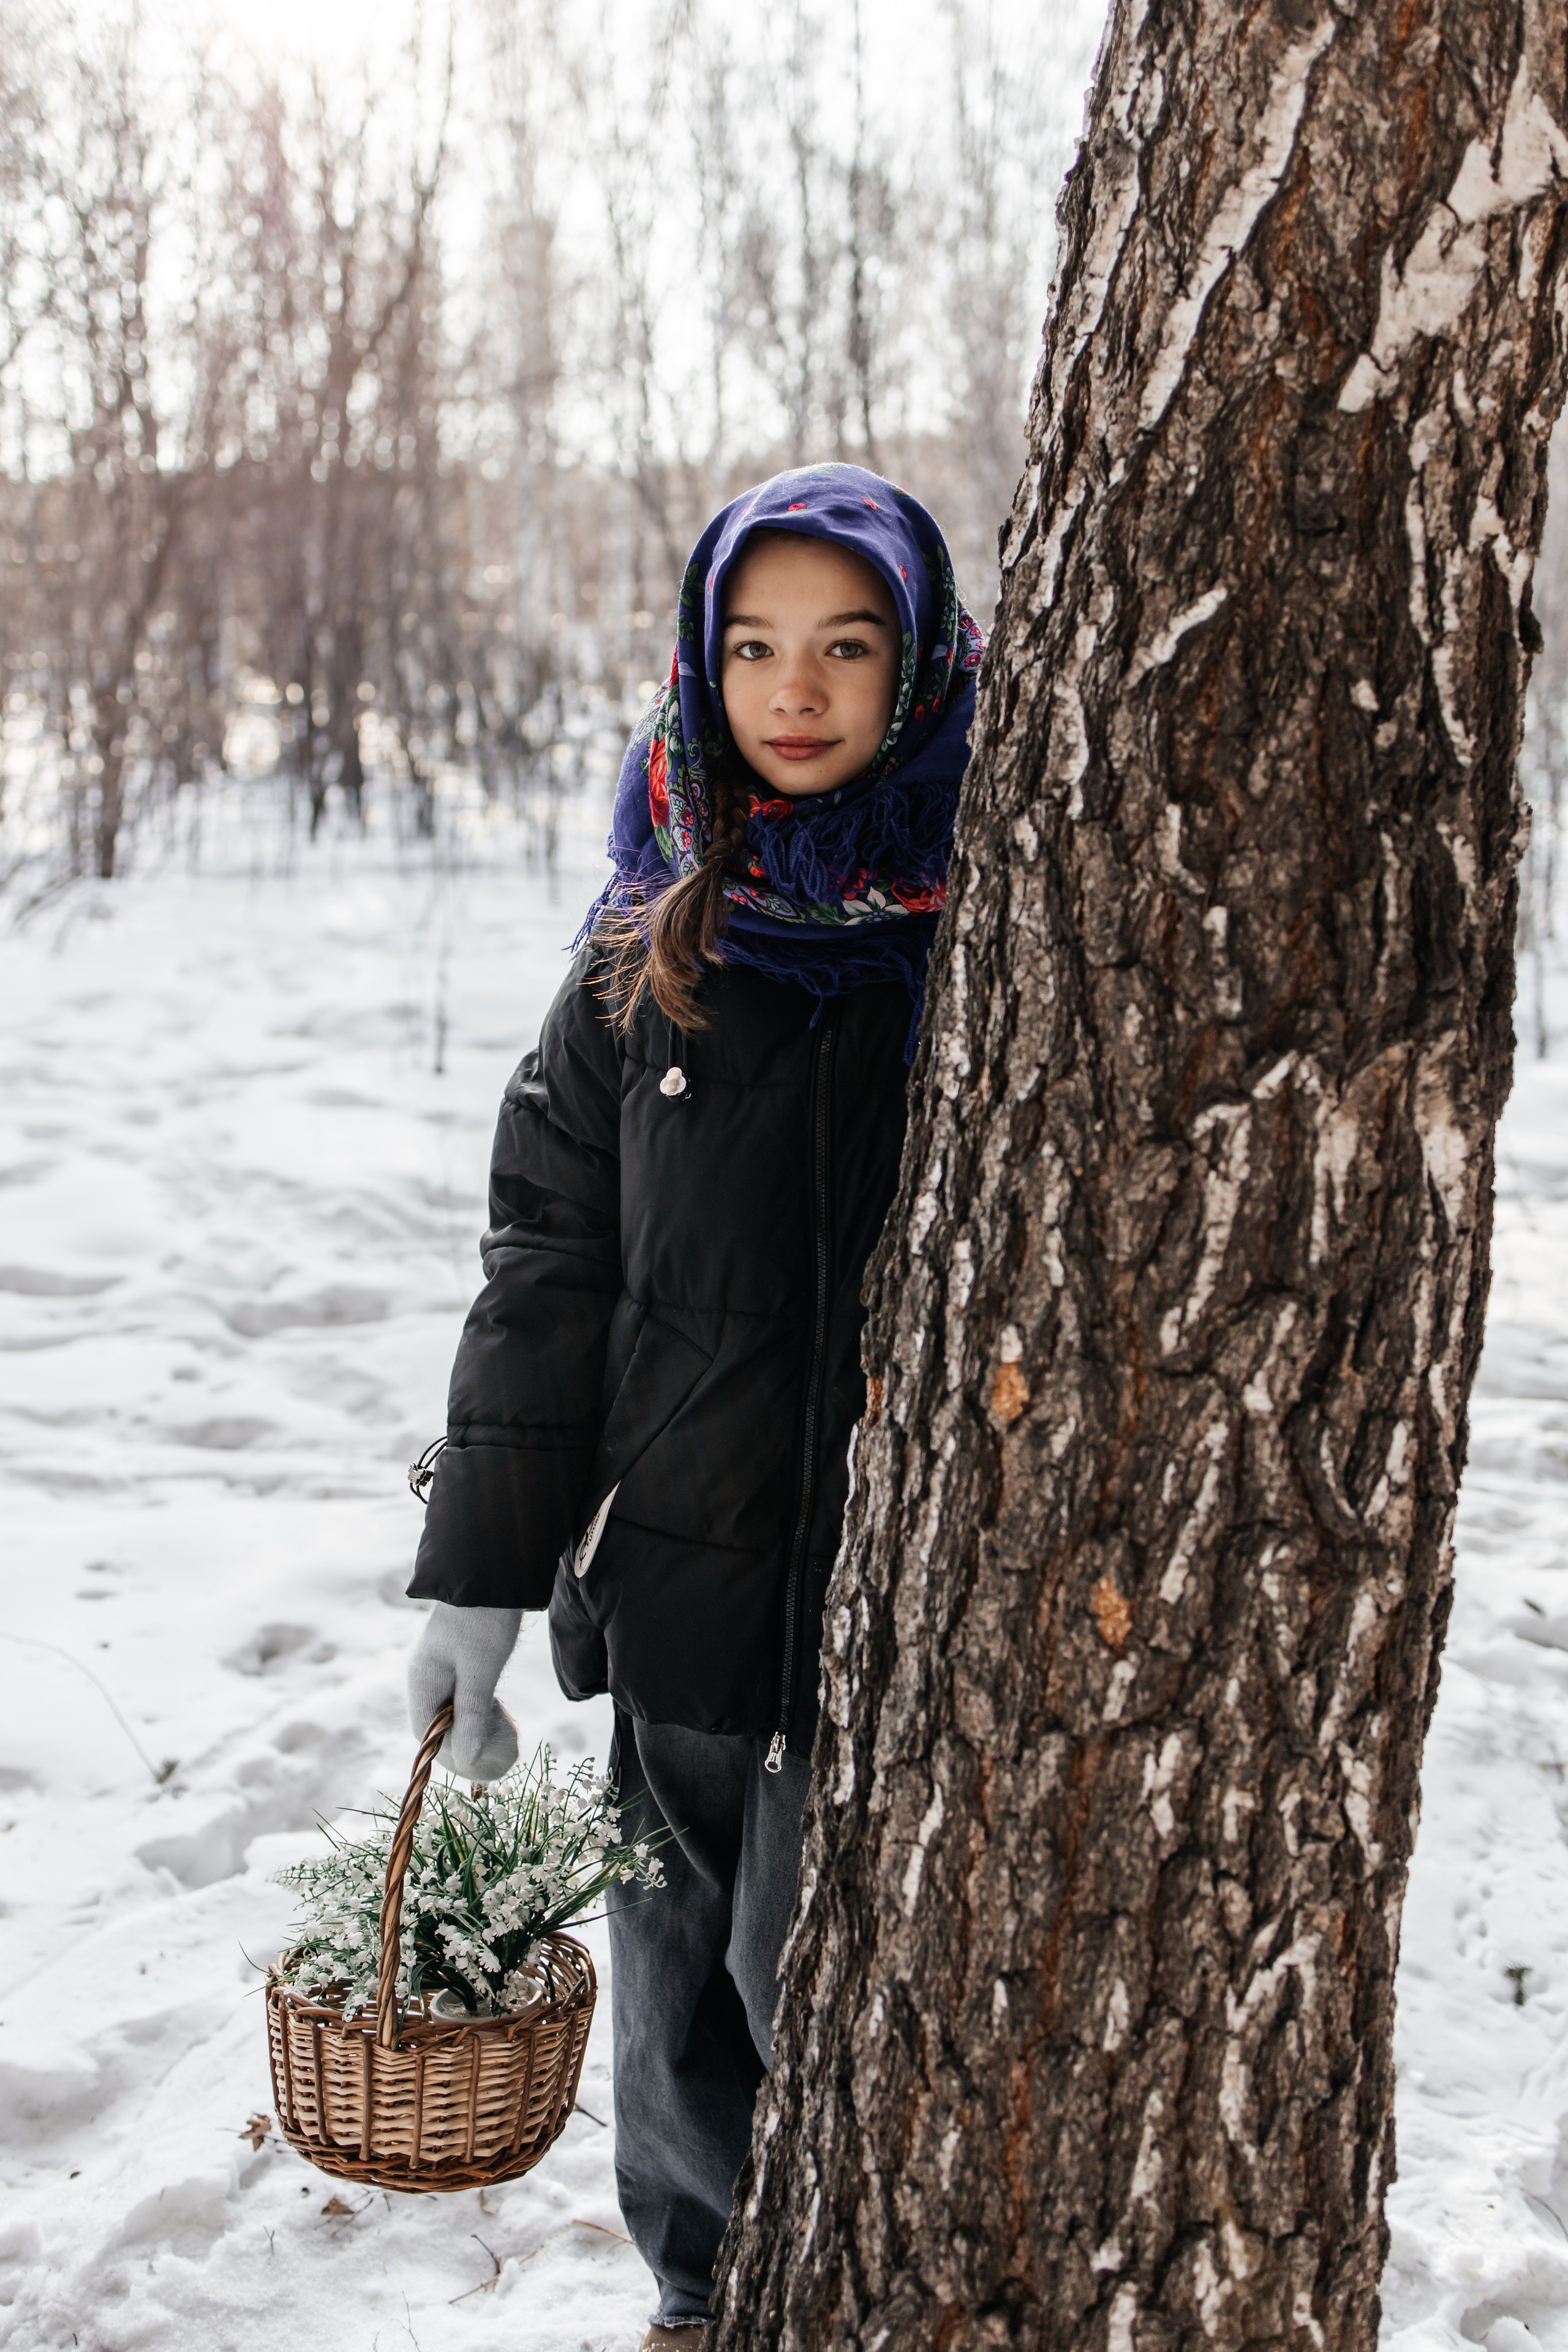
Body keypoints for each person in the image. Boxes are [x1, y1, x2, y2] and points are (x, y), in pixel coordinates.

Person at [405, 461, 982, 2345]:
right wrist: (474, 1584)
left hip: (902, 1597)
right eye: (752, 647)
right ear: (696, 662)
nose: (793, 692)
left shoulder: (988, 940)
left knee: (815, 1957)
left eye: (846, 645)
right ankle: (697, 2294)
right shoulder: (637, 953)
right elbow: (545, 1274)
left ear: (923, 664)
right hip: (673, 1579)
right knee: (677, 1974)